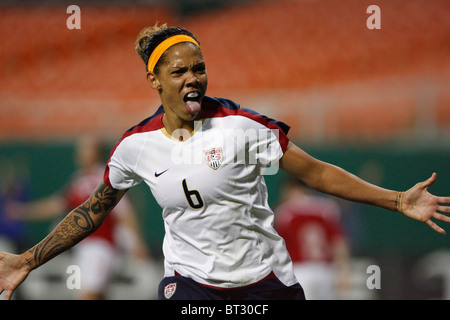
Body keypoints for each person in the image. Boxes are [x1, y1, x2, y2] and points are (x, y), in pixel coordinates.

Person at [1, 24, 449, 300]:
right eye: (179, 72)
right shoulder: (134, 147)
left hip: (265, 281)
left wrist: (396, 201)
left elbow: (315, 173)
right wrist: (27, 261)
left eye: (199, 68)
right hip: (189, 286)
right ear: (153, 80)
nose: (193, 79)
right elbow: (91, 212)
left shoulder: (242, 127)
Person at [7, 136, 149, 300]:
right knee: (97, 294)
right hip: (85, 247)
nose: (81, 153)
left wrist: (136, 242)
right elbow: (57, 205)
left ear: (96, 152)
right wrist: (23, 211)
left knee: (87, 295)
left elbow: (124, 212)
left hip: (101, 246)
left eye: (86, 149)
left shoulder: (104, 178)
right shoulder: (79, 180)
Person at [275, 178, 351, 299]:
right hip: (325, 270)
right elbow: (338, 243)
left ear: (291, 189)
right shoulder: (326, 208)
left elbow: (277, 248)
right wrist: (344, 271)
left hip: (299, 270)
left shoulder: (285, 211)